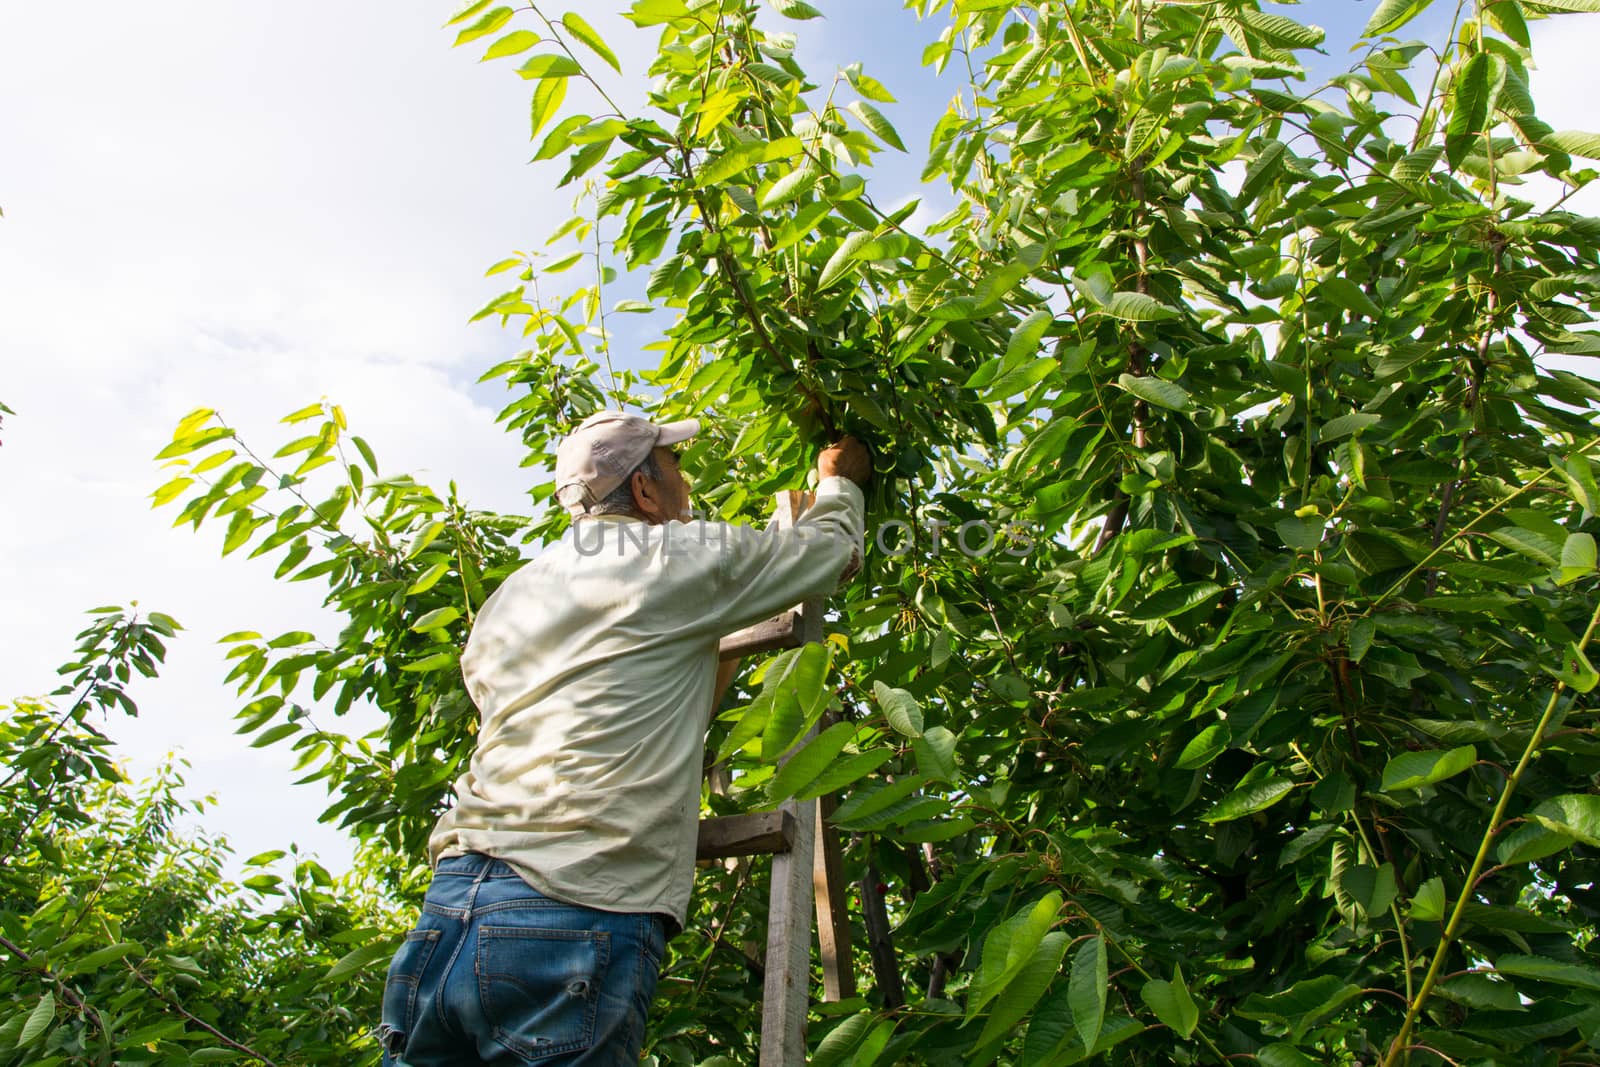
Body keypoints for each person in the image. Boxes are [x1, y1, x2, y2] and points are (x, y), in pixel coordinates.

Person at [377, 409, 871, 1066]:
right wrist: (840, 482)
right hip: (572, 915)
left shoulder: (510, 597)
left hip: (450, 911)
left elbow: (625, 697)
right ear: (644, 491)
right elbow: (826, 552)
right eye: (676, 467)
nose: (686, 481)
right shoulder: (674, 557)